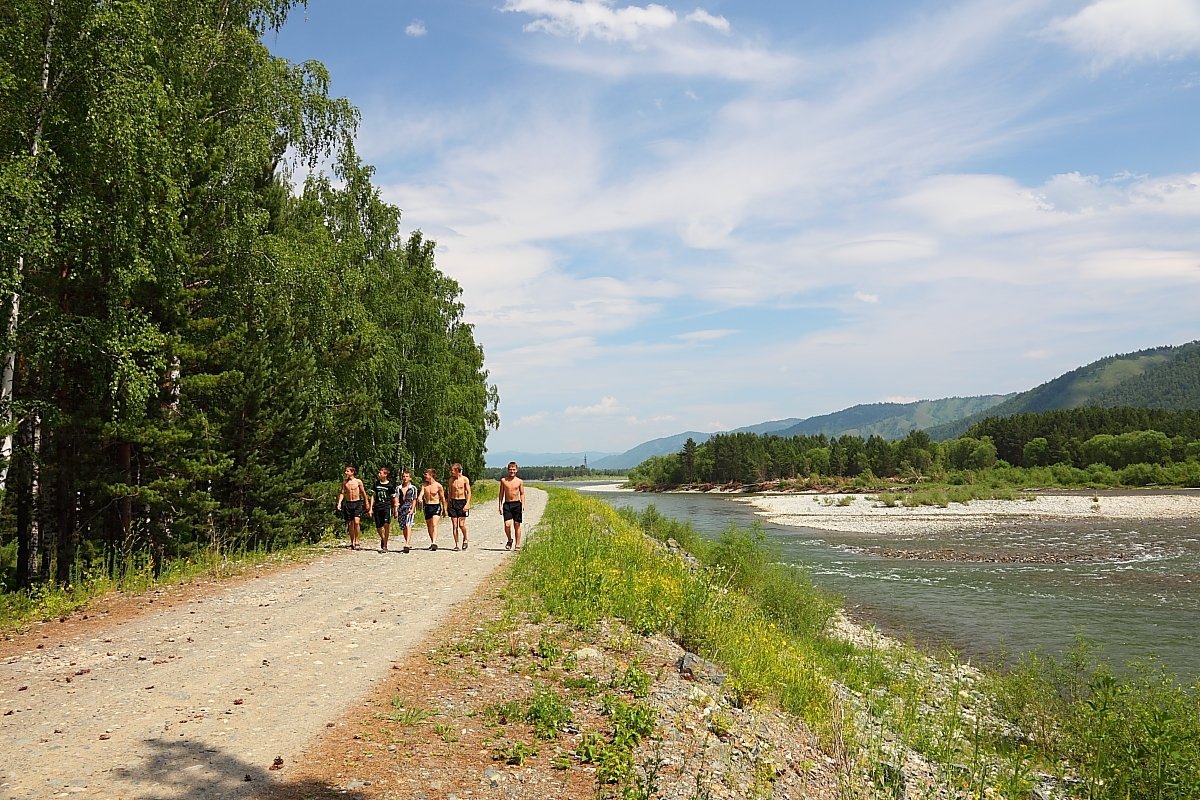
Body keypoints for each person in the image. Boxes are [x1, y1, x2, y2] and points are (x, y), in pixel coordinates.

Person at [336, 465, 367, 550]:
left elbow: (363, 492)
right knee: (350, 523)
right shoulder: (345, 482)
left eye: (347, 471)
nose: (346, 473)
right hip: (348, 503)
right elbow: (342, 493)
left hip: (357, 503)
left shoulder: (358, 481)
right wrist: (339, 503)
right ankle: (352, 541)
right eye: (345, 471)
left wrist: (366, 502)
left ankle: (357, 541)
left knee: (356, 522)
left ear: (352, 472)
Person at [498, 461, 526, 550]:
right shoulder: (503, 480)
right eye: (510, 470)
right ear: (508, 470)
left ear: (516, 470)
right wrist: (499, 506)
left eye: (514, 469)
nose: (512, 471)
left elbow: (522, 493)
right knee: (507, 525)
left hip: (517, 504)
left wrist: (523, 504)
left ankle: (517, 544)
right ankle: (510, 540)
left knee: (517, 524)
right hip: (507, 504)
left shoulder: (519, 481)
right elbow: (501, 493)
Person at [370, 466, 398, 552]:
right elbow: (373, 496)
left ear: (385, 474)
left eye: (380, 473)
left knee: (386, 525)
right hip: (377, 507)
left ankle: (385, 545)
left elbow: (394, 498)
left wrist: (395, 509)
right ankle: (382, 538)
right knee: (378, 527)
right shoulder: (376, 484)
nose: (379, 474)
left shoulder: (390, 485)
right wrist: (370, 508)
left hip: (386, 507)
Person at [420, 468, 447, 551]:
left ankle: (434, 542)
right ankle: (432, 541)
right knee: (429, 525)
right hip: (427, 506)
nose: (425, 476)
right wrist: (420, 498)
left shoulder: (438, 486)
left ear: (431, 475)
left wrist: (445, 509)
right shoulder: (424, 485)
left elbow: (442, 498)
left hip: (436, 506)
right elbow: (421, 493)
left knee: (434, 524)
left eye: (426, 475)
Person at [447, 463, 472, 550]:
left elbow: (469, 492)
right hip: (453, 502)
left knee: (461, 525)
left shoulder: (465, 479)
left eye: (452, 470)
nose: (451, 472)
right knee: (454, 525)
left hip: (462, 502)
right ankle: (457, 544)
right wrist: (448, 504)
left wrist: (467, 504)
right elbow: (449, 492)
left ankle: (465, 539)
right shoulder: (451, 480)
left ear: (457, 470)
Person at [396, 469, 418, 553]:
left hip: (409, 508)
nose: (405, 478)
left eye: (407, 476)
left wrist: (412, 509)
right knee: (403, 526)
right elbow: (397, 498)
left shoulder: (413, 488)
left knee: (408, 524)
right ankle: (407, 542)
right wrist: (396, 508)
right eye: (403, 476)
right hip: (401, 508)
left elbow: (414, 499)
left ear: (410, 478)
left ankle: (407, 543)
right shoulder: (398, 488)